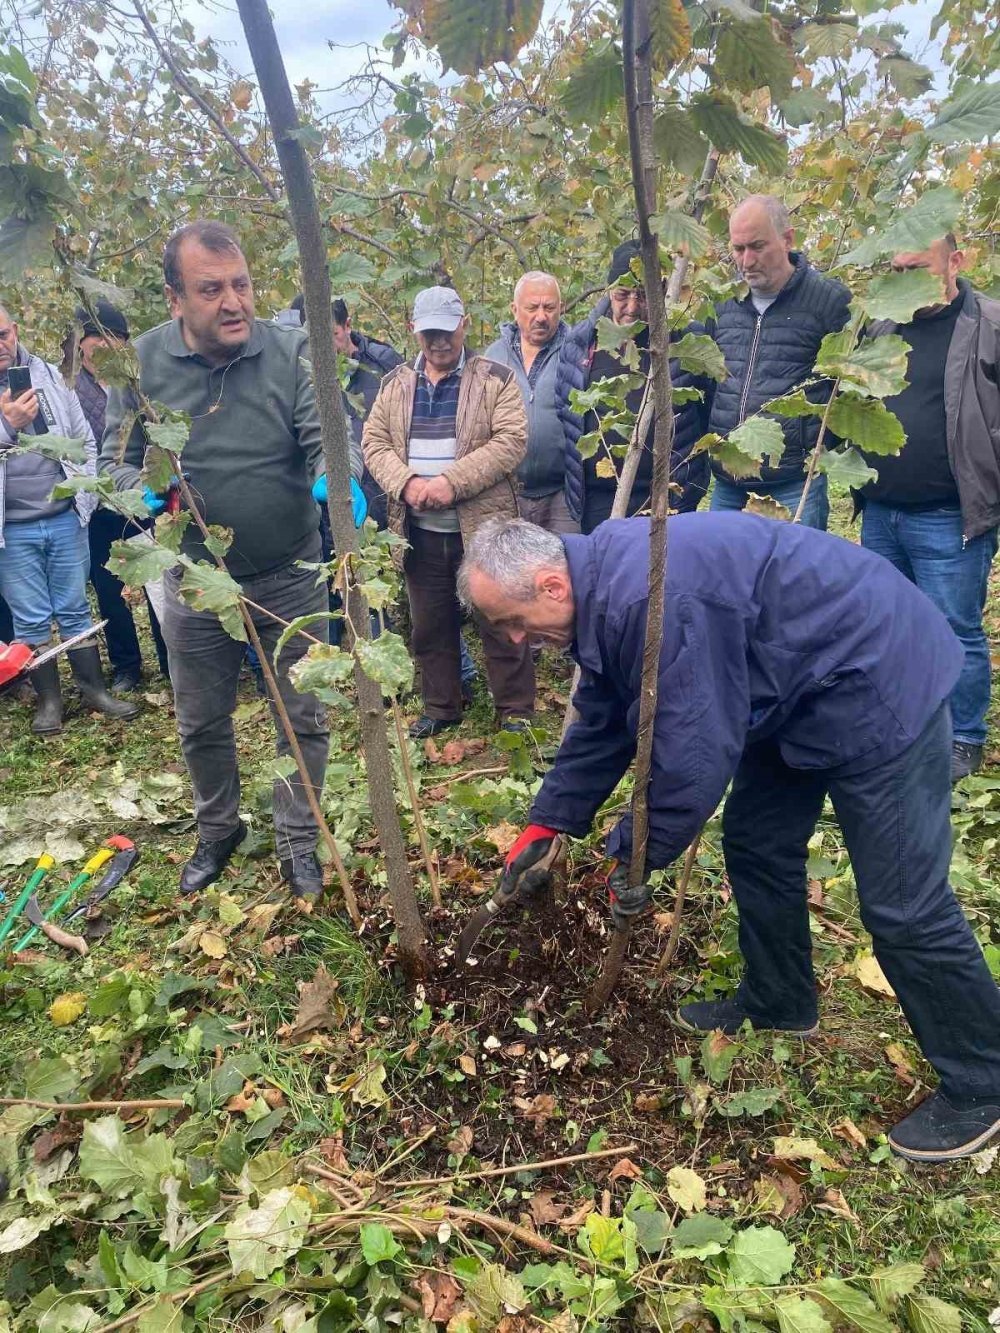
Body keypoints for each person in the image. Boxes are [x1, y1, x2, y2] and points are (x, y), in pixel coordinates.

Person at [458, 514, 1000, 1164]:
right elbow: (605, 717)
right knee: (755, 840)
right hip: (790, 685)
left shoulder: (651, 597)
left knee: (903, 903)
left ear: (549, 583)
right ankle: (781, 998)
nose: (517, 639)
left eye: (514, 620)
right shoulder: (601, 590)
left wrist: (631, 858)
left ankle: (983, 1083)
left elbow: (690, 754)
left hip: (877, 675)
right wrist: (547, 825)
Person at [101, 220, 359, 902]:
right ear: (175, 298)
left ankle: (299, 840)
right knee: (201, 717)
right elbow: (110, 465)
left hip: (290, 572)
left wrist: (339, 475)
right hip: (194, 580)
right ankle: (219, 829)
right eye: (211, 289)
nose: (234, 301)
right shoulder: (141, 368)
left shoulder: (293, 350)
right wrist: (140, 488)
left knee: (302, 713)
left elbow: (324, 435)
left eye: (241, 284)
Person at [856, 235, 1000, 783]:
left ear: (956, 263)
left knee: (954, 625)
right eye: (895, 270)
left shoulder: (988, 322)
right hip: (881, 510)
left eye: (916, 269)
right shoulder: (882, 327)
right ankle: (904, 717)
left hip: (949, 512)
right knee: (890, 621)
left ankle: (964, 736)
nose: (904, 282)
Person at [362, 284, 534, 738]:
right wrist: (408, 483)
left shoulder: (496, 378)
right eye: (429, 334)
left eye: (446, 332)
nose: (439, 343)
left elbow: (511, 441)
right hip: (420, 531)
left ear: (464, 325)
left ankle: (515, 711)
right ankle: (442, 707)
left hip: (482, 531)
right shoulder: (395, 384)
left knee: (499, 618)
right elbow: (374, 442)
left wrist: (450, 483)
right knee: (430, 624)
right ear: (413, 331)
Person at [0, 304, 138, 734]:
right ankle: (49, 702)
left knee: (76, 607)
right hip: (12, 527)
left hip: (65, 516)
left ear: (15, 329)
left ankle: (94, 691)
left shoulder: (52, 375)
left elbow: (84, 440)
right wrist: (7, 427)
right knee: (30, 619)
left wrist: (86, 493)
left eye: (3, 334)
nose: (0, 346)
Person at [706, 195, 851, 527]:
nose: (746, 260)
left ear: (788, 239)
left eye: (757, 246)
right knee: (724, 577)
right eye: (738, 249)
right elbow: (708, 383)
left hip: (794, 484)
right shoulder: (722, 304)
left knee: (792, 578)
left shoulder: (829, 301)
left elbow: (850, 389)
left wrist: (817, 447)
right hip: (728, 485)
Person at [556, 240, 710, 533]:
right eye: (622, 295)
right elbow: (567, 413)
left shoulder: (686, 341)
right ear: (608, 291)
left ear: (661, 290)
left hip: (666, 502)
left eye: (642, 295)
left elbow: (706, 411)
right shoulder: (581, 344)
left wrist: (687, 486)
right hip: (597, 502)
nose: (631, 307)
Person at [66, 300, 169, 691]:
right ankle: (127, 666)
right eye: (93, 339)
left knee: (159, 578)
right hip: (99, 505)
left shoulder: (136, 382)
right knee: (111, 589)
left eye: (112, 337)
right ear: (81, 344)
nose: (102, 346)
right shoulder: (69, 389)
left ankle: (169, 658)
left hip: (144, 494)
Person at [484, 272, 576, 534]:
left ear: (562, 308)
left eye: (549, 307)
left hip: (563, 493)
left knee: (563, 566)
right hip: (506, 492)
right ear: (515, 310)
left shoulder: (577, 352)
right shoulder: (494, 356)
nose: (541, 316)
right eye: (532, 308)